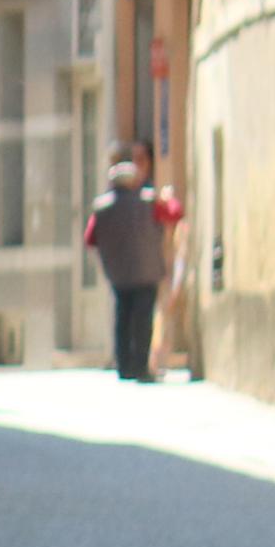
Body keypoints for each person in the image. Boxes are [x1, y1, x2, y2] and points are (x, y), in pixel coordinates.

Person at [84, 155, 182, 384]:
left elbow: (90, 239)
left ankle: (124, 365)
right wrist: (167, 198)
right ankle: (141, 367)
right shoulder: (149, 201)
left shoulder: (101, 208)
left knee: (122, 316)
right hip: (147, 270)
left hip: (118, 272)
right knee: (143, 319)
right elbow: (175, 213)